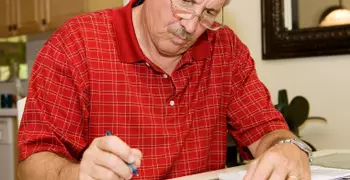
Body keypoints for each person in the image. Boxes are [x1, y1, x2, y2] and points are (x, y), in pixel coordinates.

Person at [17, 0, 312, 179]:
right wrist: (78, 175)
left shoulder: (225, 48)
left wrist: (286, 148)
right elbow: (31, 166)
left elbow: (267, 131)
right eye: (184, 1)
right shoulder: (77, 44)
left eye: (209, 11)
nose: (192, 24)